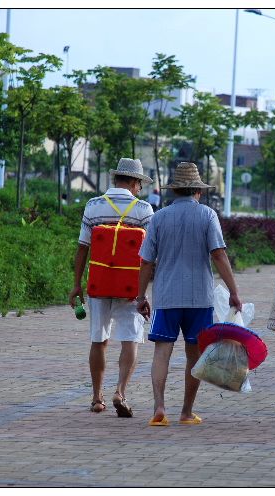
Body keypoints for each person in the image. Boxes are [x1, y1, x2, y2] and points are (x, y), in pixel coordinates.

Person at [136, 162, 242, 426]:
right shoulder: (207, 215)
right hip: (199, 299)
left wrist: (141, 297)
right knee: (194, 354)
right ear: (198, 191)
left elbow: (146, 262)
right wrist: (234, 291)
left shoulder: (158, 217)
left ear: (175, 191)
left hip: (167, 296)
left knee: (162, 351)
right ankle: (185, 411)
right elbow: (218, 254)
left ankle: (159, 408)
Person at [68, 158, 154, 415]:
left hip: (98, 284)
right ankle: (120, 392)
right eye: (140, 184)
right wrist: (143, 294)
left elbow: (83, 248)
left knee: (99, 339)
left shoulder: (93, 206)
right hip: (130, 287)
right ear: (135, 182)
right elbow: (149, 256)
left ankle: (97, 398)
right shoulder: (144, 209)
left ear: (116, 179)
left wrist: (76, 285)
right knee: (130, 339)